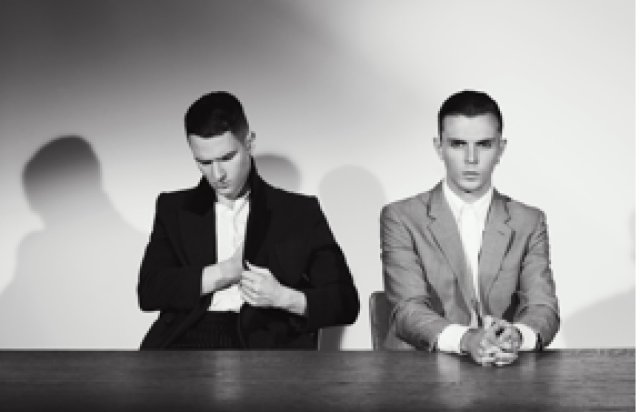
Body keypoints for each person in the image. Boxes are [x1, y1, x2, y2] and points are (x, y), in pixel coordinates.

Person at [138, 91, 359, 349]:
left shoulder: (298, 212)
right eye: (204, 162)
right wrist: (224, 273)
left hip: (267, 347)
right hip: (185, 343)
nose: (217, 174)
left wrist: (282, 297)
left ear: (249, 143)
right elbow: (149, 292)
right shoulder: (174, 208)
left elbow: (345, 303)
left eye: (227, 158)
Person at [380, 90, 559, 365]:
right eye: (458, 144)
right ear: (439, 147)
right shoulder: (402, 217)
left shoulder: (529, 220)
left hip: (503, 371)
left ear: (501, 149)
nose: (471, 158)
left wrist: (517, 336)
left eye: (484, 145)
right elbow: (407, 309)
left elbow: (542, 306)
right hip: (420, 371)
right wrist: (467, 339)